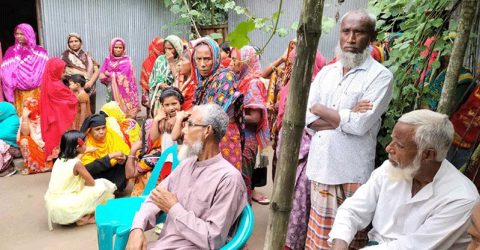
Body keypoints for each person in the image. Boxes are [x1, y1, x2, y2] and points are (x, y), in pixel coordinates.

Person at [304, 9, 393, 249]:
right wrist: (347, 113)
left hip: (353, 173)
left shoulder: (380, 76)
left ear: (371, 37)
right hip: (322, 168)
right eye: (346, 31)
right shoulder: (326, 73)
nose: (351, 39)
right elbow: (307, 116)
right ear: (339, 34)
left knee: (351, 239)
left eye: (359, 32)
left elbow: (360, 125)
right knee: (320, 242)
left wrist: (325, 111)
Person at [329, 109, 480, 249]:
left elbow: (414, 246)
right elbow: (353, 210)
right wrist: (340, 242)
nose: (388, 148)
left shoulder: (461, 199)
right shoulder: (393, 167)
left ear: (427, 154)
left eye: (399, 145)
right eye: (391, 140)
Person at [126, 104, 247, 249]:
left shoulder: (228, 179)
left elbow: (213, 239)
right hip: (163, 244)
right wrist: (137, 228)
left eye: (189, 124)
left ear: (207, 131)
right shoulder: (186, 165)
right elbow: (155, 198)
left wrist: (174, 208)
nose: (183, 130)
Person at [192, 37, 243, 171]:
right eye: (198, 59)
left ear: (215, 58)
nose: (202, 64)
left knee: (226, 181)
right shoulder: (202, 81)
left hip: (224, 137)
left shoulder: (226, 77)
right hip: (205, 135)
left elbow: (213, 113)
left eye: (207, 59)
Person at [44, 130, 116, 226]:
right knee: (102, 184)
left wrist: (84, 152)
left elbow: (73, 160)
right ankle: (83, 217)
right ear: (78, 147)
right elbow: (91, 183)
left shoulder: (59, 160)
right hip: (69, 205)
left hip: (54, 204)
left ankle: (78, 216)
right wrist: (81, 184)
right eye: (85, 144)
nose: (86, 146)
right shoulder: (77, 164)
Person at [126, 87, 185, 196]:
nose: (171, 108)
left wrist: (178, 119)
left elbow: (174, 136)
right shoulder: (162, 121)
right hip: (166, 160)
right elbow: (152, 137)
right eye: (167, 105)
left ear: (181, 103)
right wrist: (157, 119)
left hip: (180, 159)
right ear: (162, 106)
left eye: (174, 103)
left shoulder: (184, 120)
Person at [230, 45, 270, 202]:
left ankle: (245, 221)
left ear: (246, 61)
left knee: (244, 183)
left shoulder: (252, 83)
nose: (232, 63)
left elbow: (255, 117)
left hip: (247, 142)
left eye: (236, 59)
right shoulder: (241, 79)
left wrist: (232, 117)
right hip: (239, 139)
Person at [0, 23, 48, 114]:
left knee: (38, 116)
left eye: (22, 34)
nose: (18, 36)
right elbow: (5, 72)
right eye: (17, 34)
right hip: (19, 93)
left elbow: (46, 71)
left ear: (29, 34)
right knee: (23, 116)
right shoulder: (11, 51)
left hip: (38, 91)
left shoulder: (40, 52)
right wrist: (14, 81)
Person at [39, 58, 78, 162]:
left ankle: (57, 174)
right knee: (62, 147)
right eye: (62, 70)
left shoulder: (48, 84)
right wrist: (73, 95)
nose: (64, 73)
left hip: (52, 121)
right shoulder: (56, 85)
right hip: (59, 122)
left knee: (56, 148)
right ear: (55, 70)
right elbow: (70, 101)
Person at [80, 114, 130, 192]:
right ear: (90, 130)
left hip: (114, 172)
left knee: (125, 161)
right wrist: (109, 157)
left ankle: (116, 189)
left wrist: (124, 158)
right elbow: (87, 167)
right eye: (97, 129)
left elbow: (126, 152)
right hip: (96, 175)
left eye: (104, 128)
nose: (102, 132)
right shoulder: (86, 142)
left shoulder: (111, 135)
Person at [99, 37, 139, 118]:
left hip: (126, 93)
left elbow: (124, 76)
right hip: (111, 91)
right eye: (115, 47)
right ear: (111, 48)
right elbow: (102, 75)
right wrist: (110, 75)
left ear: (123, 48)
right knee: (113, 113)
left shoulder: (127, 60)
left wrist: (109, 74)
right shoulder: (107, 60)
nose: (118, 49)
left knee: (127, 116)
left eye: (120, 47)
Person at [62, 33, 100, 113]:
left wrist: (90, 82)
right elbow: (62, 74)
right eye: (71, 41)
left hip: (90, 87)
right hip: (74, 90)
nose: (74, 43)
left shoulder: (87, 56)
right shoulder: (64, 56)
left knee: (90, 113)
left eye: (76, 41)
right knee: (78, 113)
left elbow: (96, 70)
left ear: (80, 42)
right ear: (68, 44)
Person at [148, 35, 184, 118]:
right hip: (159, 97)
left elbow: (178, 78)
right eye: (166, 48)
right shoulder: (160, 59)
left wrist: (171, 62)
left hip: (173, 98)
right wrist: (159, 85)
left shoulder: (182, 61)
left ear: (177, 48)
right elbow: (152, 79)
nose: (167, 51)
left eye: (170, 48)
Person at [17, 98, 55, 174]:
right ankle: (32, 167)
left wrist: (44, 143)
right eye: (24, 107)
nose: (25, 109)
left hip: (46, 146)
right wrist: (25, 118)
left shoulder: (46, 116)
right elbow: (25, 133)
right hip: (34, 146)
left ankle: (47, 165)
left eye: (27, 106)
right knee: (24, 140)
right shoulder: (24, 118)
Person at [140, 37, 164, 116]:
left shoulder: (166, 62)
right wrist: (146, 97)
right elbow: (144, 82)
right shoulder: (147, 63)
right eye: (159, 46)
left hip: (164, 94)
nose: (161, 50)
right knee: (151, 117)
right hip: (151, 95)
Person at [0, 102, 19, 176]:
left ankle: (5, 168)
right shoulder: (2, 121)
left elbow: (5, 135)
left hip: (13, 147)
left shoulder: (14, 120)